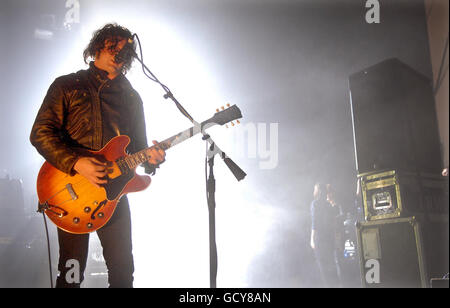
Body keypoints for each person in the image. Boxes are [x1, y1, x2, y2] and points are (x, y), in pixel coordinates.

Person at [30, 23, 166, 288]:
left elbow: (138, 148)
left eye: (125, 47)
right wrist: (77, 162)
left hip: (114, 194)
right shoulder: (67, 85)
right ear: (97, 47)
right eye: (112, 44)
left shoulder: (132, 98)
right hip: (72, 191)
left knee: (123, 273)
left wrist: (151, 160)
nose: (119, 50)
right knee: (71, 273)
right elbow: (40, 133)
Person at [310, 182, 341, 287]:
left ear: (318, 191)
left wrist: (312, 238)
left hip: (320, 238)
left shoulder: (315, 204)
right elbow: (336, 214)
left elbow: (315, 223)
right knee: (332, 265)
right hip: (329, 238)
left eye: (315, 189)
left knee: (323, 268)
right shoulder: (328, 204)